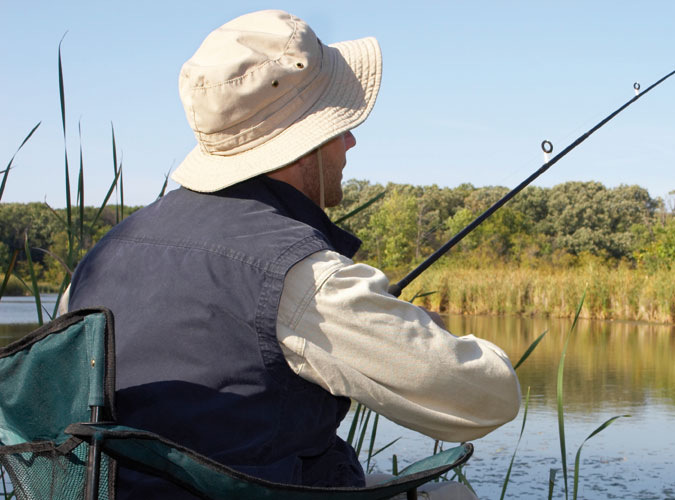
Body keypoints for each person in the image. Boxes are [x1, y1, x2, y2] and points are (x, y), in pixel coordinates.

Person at [64, 9, 521, 499]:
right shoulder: (303, 279)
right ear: (301, 146)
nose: (350, 140)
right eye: (339, 125)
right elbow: (487, 397)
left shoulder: (99, 260)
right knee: (456, 496)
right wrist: (424, 328)